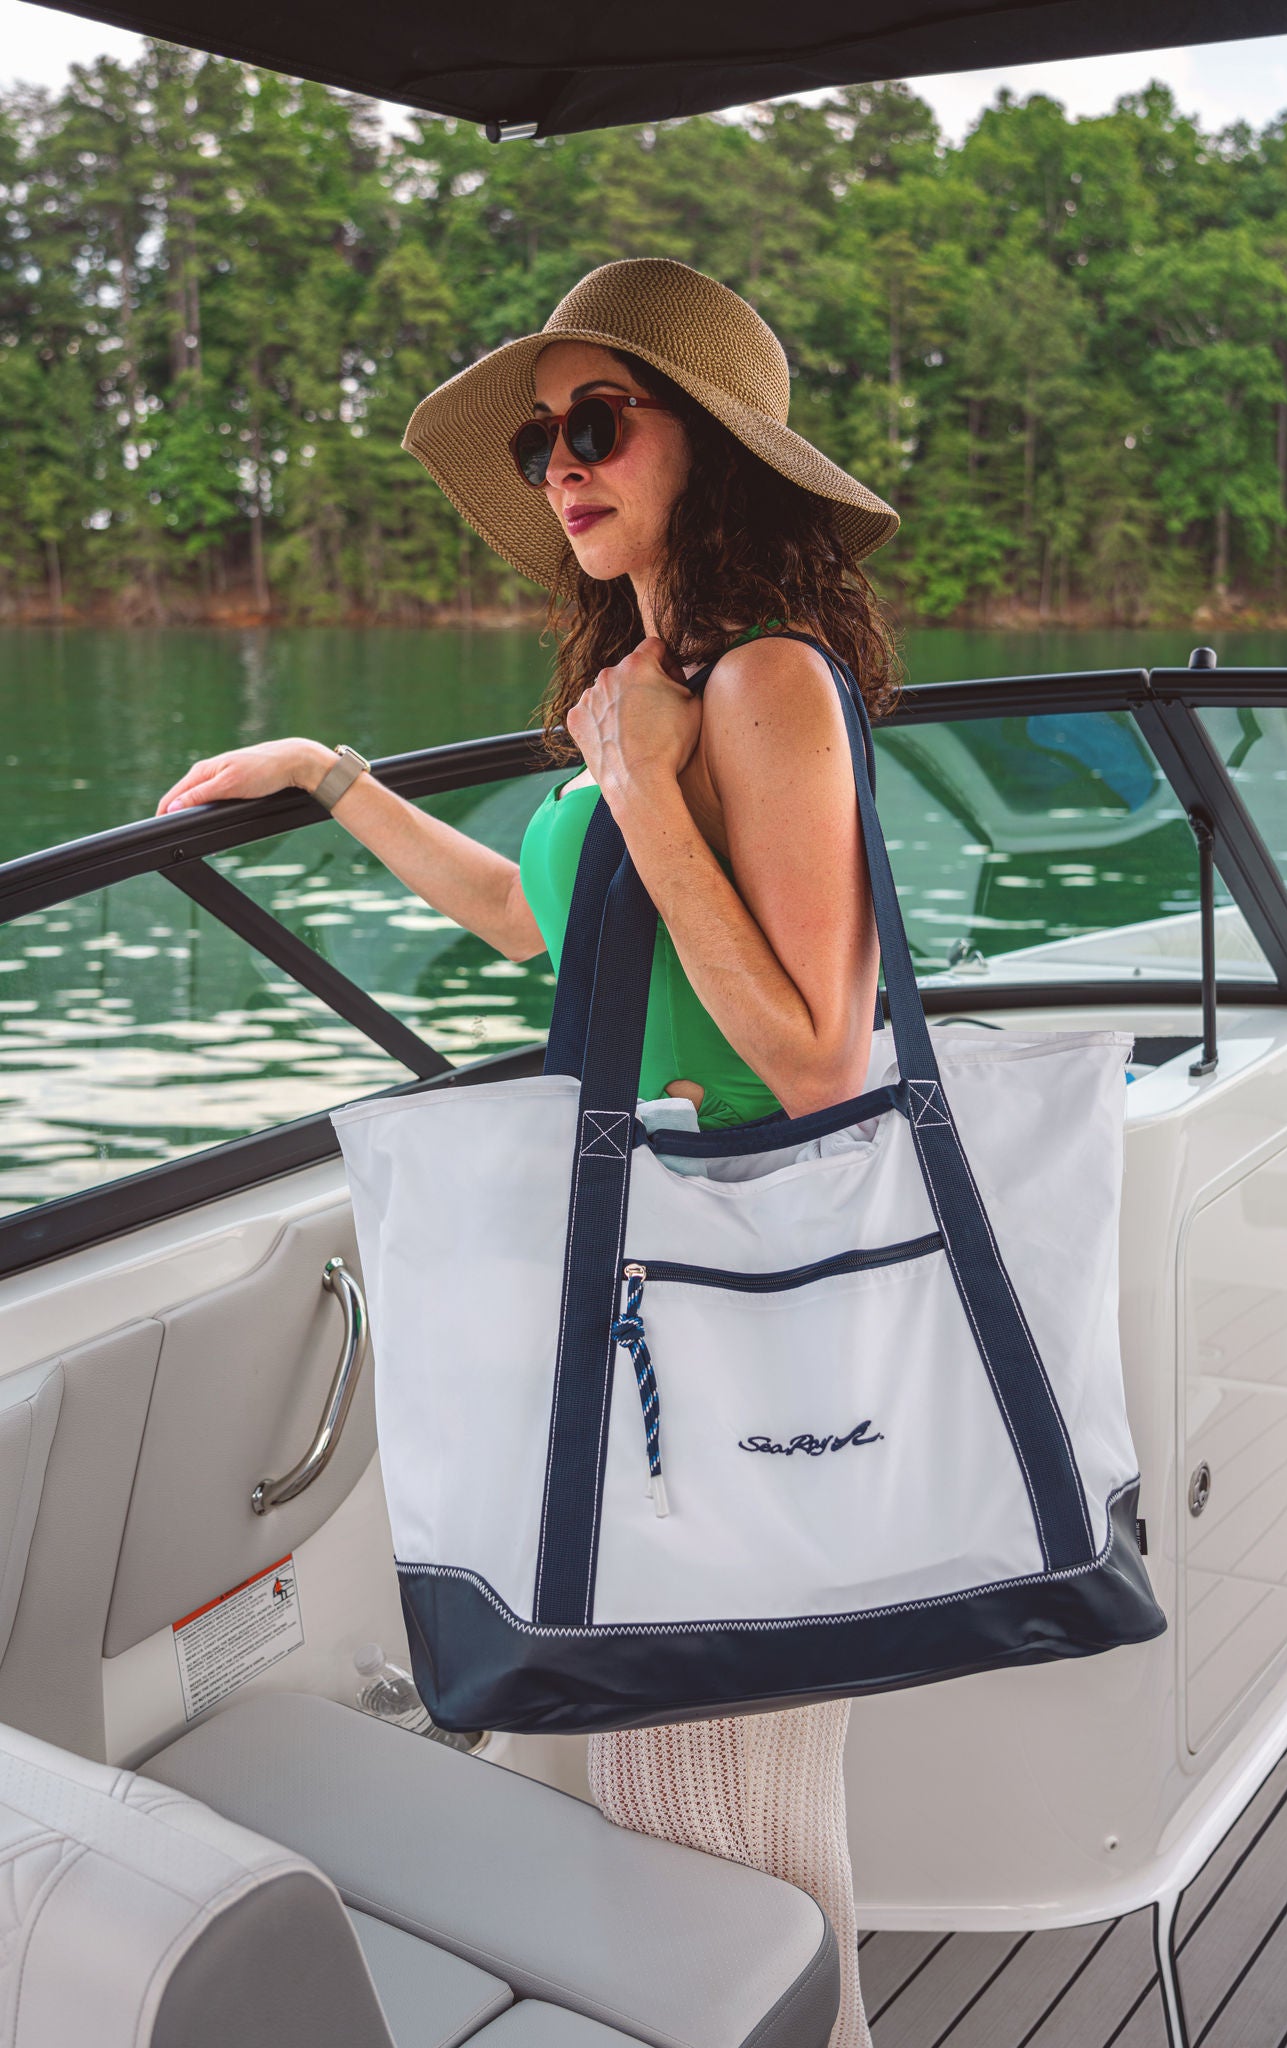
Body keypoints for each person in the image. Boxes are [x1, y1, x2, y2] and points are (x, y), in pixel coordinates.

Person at [155, 255, 902, 2048]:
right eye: (537, 434)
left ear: (707, 453)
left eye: (595, 421)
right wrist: (333, 775)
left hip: (740, 1323)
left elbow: (818, 1056)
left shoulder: (761, 685)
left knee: (739, 1834)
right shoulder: (654, 677)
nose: (558, 462)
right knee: (663, 1812)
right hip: (651, 1304)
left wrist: (641, 781)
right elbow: (525, 920)